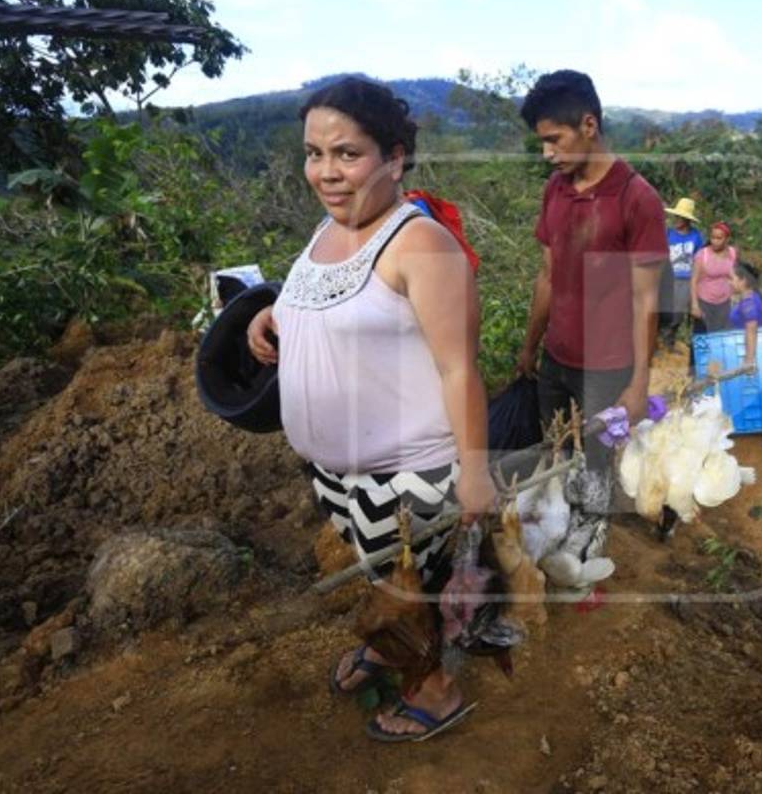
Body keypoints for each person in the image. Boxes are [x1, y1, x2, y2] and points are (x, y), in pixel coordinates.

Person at [245, 77, 495, 741]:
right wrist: (275, 315)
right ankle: (390, 654)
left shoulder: (421, 245)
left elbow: (459, 366)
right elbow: (338, 300)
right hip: (337, 472)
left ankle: (434, 691)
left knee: (405, 591)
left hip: (406, 472)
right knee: (383, 574)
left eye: (346, 154)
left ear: (394, 157)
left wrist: (474, 471)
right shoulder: (331, 226)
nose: (325, 172)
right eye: (313, 153)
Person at [515, 69, 667, 481]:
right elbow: (548, 275)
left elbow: (645, 299)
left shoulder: (636, 199)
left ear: (588, 125)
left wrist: (638, 385)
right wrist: (531, 347)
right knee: (556, 456)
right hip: (555, 360)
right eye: (541, 142)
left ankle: (592, 536)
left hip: (606, 370)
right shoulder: (555, 190)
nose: (547, 153)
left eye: (553, 140)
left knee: (596, 468)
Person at [658, 197, 704, 351]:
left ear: (687, 220)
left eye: (680, 217)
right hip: (668, 277)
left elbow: (700, 259)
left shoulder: (696, 236)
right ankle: (659, 340)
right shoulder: (667, 233)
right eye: (676, 216)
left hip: (686, 279)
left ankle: (669, 340)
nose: (677, 219)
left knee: (678, 312)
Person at [690, 221, 738, 333]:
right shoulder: (703, 255)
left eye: (719, 238)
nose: (715, 241)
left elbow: (734, 275)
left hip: (724, 302)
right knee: (702, 337)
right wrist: (694, 305)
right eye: (713, 237)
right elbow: (694, 280)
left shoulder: (732, 253)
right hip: (704, 302)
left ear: (727, 239)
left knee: (721, 336)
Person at [729, 260, 762, 371]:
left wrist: (749, 360)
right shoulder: (751, 297)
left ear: (743, 280)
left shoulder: (748, 302)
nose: (729, 283)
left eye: (731, 279)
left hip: (749, 355)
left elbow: (751, 328)